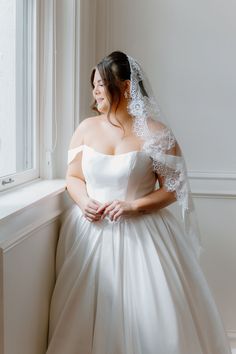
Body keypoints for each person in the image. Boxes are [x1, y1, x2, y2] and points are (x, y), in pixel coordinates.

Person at [46, 51, 231, 354]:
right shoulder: (85, 129)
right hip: (89, 233)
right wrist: (83, 202)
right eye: (93, 85)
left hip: (143, 233)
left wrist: (133, 206)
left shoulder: (156, 134)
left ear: (127, 87)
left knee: (150, 313)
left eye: (101, 85)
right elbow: (73, 176)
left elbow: (174, 188)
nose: (94, 92)